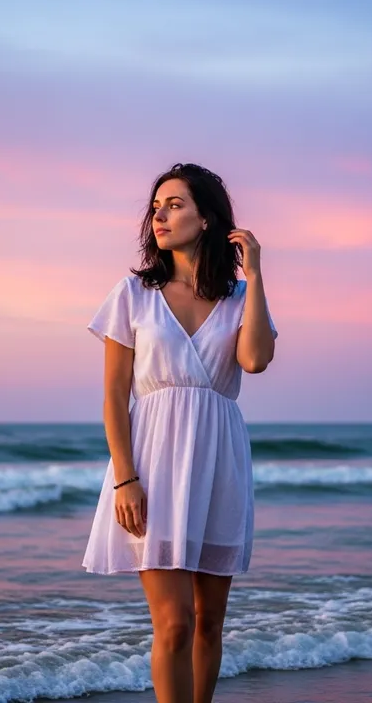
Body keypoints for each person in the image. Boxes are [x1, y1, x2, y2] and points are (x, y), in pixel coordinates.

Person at [83, 162, 278, 703]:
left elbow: (256, 361)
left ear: (209, 218)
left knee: (210, 623)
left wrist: (257, 277)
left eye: (175, 204)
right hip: (152, 463)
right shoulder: (133, 294)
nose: (160, 216)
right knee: (173, 624)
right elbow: (113, 397)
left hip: (219, 464)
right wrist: (126, 479)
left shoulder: (240, 297)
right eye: (156, 206)